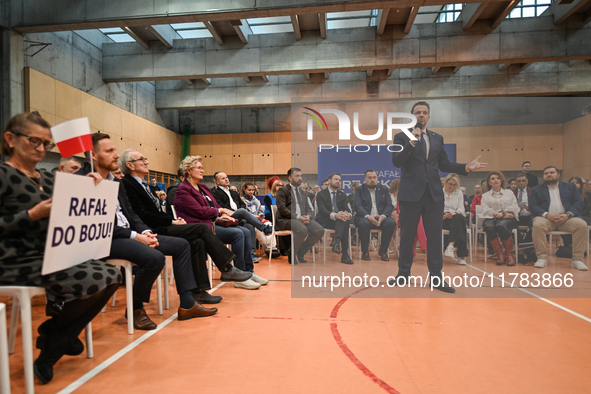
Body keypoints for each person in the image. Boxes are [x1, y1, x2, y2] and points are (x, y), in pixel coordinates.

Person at [0, 112, 120, 383]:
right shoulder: (3, 175)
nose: (42, 149)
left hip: (48, 255)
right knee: (91, 277)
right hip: (13, 259)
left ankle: (55, 336)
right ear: (10, 139)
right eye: (34, 141)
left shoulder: (48, 178)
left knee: (112, 275)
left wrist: (91, 187)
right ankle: (54, 344)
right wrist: (30, 215)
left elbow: (75, 206)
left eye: (46, 144)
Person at [80, 134, 219, 329]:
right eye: (110, 151)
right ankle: (136, 308)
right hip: (106, 239)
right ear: (94, 155)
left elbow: (131, 214)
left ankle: (187, 303)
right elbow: (100, 227)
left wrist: (145, 232)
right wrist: (136, 236)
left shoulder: (116, 182)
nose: (115, 154)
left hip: (130, 234)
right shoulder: (82, 179)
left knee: (182, 245)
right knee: (154, 258)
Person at [118, 148, 252, 304]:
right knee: (201, 230)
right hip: (150, 230)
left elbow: (155, 213)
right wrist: (170, 221)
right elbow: (140, 214)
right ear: (130, 165)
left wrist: (173, 220)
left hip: (162, 225)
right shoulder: (128, 184)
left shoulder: (142, 184)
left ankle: (199, 292)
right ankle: (227, 268)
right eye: (142, 159)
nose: (147, 161)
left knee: (198, 242)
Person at [391, 101, 487, 292]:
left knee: (434, 237)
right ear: (412, 116)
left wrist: (466, 167)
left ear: (428, 116)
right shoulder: (401, 136)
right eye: (417, 112)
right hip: (410, 194)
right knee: (408, 236)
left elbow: (444, 164)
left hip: (433, 194)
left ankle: (436, 278)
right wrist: (412, 141)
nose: (421, 115)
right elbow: (397, 161)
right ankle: (403, 275)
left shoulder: (437, 138)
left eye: (424, 112)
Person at [173, 156, 268, 288]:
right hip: (200, 228)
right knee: (238, 234)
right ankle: (240, 278)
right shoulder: (183, 190)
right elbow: (199, 211)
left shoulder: (203, 188)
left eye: (202, 168)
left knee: (246, 231)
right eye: (199, 168)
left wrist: (222, 214)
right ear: (189, 171)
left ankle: (248, 272)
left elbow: (216, 205)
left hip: (213, 223)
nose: (202, 170)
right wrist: (219, 212)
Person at [529, 166, 588, 270]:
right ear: (543, 176)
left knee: (582, 225)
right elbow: (533, 206)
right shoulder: (536, 189)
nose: (549, 175)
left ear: (558, 175)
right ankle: (542, 258)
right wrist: (547, 215)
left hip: (567, 218)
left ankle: (578, 259)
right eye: (546, 173)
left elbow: (578, 203)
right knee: (537, 225)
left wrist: (568, 215)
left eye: (552, 172)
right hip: (546, 219)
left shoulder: (570, 187)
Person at [211, 171, 273, 263]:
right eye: (223, 178)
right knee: (242, 211)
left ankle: (251, 254)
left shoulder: (233, 192)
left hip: (239, 217)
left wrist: (241, 214)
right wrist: (238, 212)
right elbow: (220, 206)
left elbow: (242, 204)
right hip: (226, 217)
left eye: (226, 177)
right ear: (216, 181)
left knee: (249, 226)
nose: (226, 179)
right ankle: (263, 227)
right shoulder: (214, 192)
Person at [275, 168, 324, 264]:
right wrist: (298, 217)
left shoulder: (302, 192)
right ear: (290, 178)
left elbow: (309, 208)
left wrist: (308, 216)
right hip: (286, 219)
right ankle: (292, 253)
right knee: (302, 230)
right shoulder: (283, 190)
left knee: (319, 230)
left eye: (301, 176)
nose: (300, 178)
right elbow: (282, 209)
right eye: (297, 176)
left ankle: (301, 251)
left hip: (302, 219)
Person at [353, 169, 396, 261]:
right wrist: (368, 217)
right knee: (364, 224)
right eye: (370, 178)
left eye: (374, 177)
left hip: (381, 217)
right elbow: (357, 205)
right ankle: (365, 251)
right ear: (365, 179)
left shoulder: (384, 189)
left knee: (391, 223)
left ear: (377, 178)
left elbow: (389, 205)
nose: (372, 180)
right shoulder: (359, 189)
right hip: (364, 217)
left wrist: (383, 216)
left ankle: (383, 251)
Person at [480, 171, 519, 265]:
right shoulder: (485, 195)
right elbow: (485, 209)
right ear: (489, 182)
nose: (496, 180)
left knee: (501, 225)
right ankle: (499, 254)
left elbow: (515, 207)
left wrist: (504, 213)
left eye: (498, 178)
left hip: (507, 218)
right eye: (493, 179)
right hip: (491, 217)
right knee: (489, 226)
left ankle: (509, 254)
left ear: (501, 180)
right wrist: (495, 214)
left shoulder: (509, 193)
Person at [315, 173, 354, 265]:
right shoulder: (321, 194)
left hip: (339, 221)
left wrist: (348, 215)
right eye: (336, 179)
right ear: (329, 181)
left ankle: (337, 244)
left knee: (344, 220)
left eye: (339, 180)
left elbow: (347, 210)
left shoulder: (342, 195)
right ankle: (344, 254)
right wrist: (335, 215)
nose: (338, 182)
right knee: (343, 222)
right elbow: (322, 211)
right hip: (325, 220)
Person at [442, 174, 469, 265]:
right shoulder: (439, 192)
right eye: (450, 184)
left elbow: (461, 208)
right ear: (445, 182)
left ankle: (450, 245)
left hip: (455, 216)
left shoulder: (459, 193)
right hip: (442, 217)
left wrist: (454, 213)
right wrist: (445, 215)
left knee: (459, 217)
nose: (452, 187)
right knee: (461, 224)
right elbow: (434, 208)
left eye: (454, 185)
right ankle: (461, 256)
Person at [264, 179, 290, 256]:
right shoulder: (268, 196)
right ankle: (283, 248)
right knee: (280, 223)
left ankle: (289, 247)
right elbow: (271, 208)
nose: (280, 187)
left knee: (287, 222)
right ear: (274, 186)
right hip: (270, 215)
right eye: (278, 185)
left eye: (282, 185)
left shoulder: (284, 196)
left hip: (281, 215)